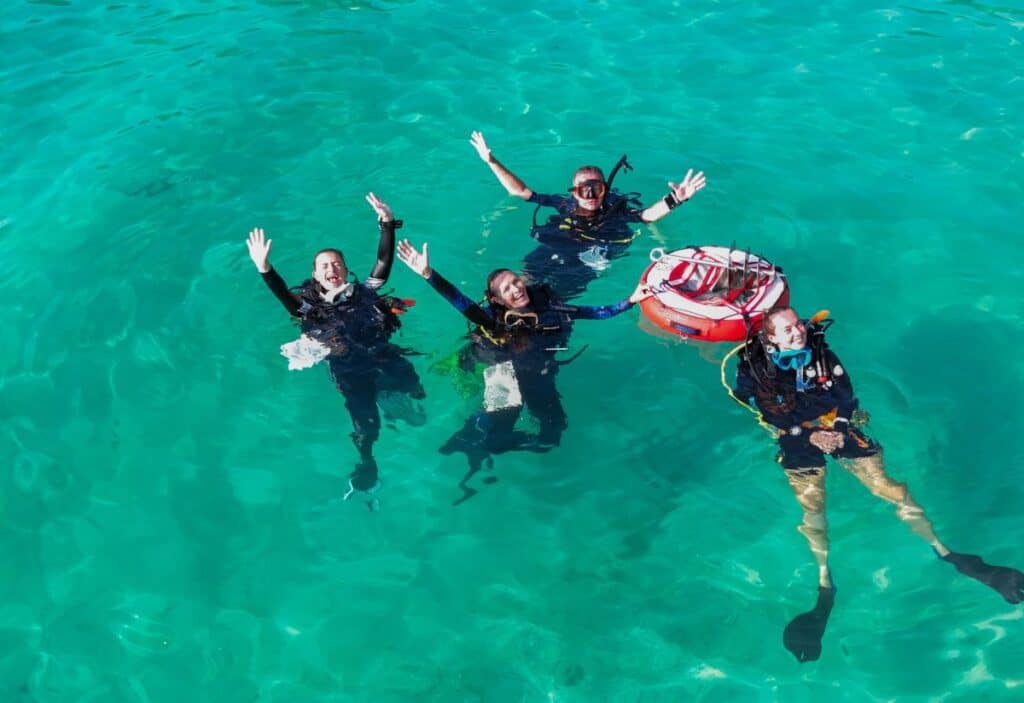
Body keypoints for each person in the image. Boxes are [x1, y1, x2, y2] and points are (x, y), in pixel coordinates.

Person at [733, 306, 1024, 662]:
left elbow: (846, 397)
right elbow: (756, 408)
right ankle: (824, 581)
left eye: (798, 325)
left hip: (834, 427)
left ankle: (949, 553)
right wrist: (807, 436)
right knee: (813, 506)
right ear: (771, 337)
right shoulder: (756, 366)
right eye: (787, 329)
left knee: (890, 488)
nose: (797, 332)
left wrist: (837, 431)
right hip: (796, 437)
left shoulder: (821, 354)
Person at [397, 238, 651, 504]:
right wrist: (428, 274)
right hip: (503, 370)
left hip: (538, 374)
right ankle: (472, 437)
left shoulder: (549, 306)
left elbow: (595, 312)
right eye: (507, 289)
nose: (516, 288)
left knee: (552, 434)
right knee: (499, 416)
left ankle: (496, 444)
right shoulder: (492, 319)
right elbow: (461, 302)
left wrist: (631, 300)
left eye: (516, 281)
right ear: (497, 299)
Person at [245, 194, 425, 509]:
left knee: (416, 390)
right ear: (315, 275)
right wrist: (264, 269)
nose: (332, 269)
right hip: (350, 370)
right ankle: (367, 463)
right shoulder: (309, 307)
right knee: (367, 427)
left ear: (345, 270)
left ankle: (391, 396)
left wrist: (387, 225)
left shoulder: (364, 291)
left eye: (337, 264)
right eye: (325, 266)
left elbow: (383, 264)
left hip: (384, 353)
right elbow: (285, 298)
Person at [469, 130, 706, 299]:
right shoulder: (564, 204)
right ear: (574, 192)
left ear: (605, 189)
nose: (591, 195)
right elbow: (521, 191)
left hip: (590, 255)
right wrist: (491, 161)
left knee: (558, 295)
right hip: (557, 244)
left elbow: (647, 216)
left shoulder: (615, 210)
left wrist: (675, 199)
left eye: (597, 189)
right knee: (526, 278)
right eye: (585, 190)